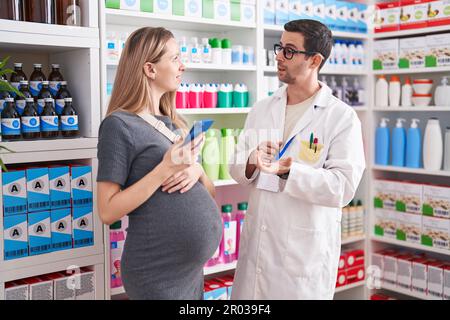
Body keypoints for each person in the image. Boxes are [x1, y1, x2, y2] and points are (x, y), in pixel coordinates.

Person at [229, 19, 366, 300]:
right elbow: (236, 165)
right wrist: (252, 159)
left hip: (302, 261)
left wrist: (290, 171)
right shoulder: (262, 108)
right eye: (280, 48)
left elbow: (343, 187)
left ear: (315, 60)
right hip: (257, 250)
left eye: (289, 51)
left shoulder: (340, 117)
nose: (279, 56)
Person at [96, 27, 222, 300]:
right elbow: (107, 211)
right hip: (156, 273)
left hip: (190, 273)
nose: (183, 66)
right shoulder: (118, 125)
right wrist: (164, 168)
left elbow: (208, 195)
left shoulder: (175, 124)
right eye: (175, 58)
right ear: (150, 69)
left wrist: (197, 170)